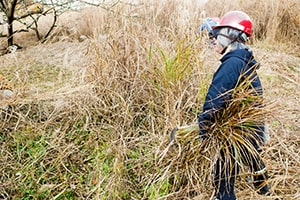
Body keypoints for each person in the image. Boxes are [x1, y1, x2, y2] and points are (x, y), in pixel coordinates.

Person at [197, 11, 270, 200]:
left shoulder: (232, 65)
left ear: (230, 36)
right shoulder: (244, 61)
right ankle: (263, 186)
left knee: (223, 179)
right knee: (249, 157)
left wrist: (203, 128)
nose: (213, 40)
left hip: (236, 133)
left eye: (217, 35)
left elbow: (215, 100)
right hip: (249, 131)